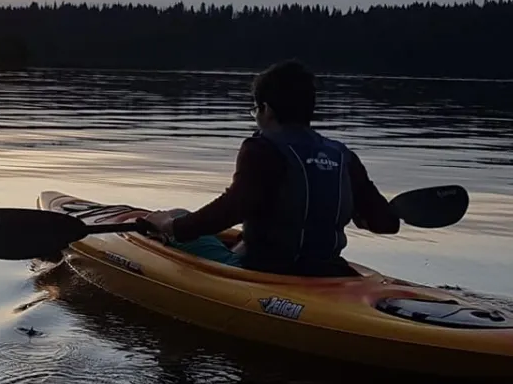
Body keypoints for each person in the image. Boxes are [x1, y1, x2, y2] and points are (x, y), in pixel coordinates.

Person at [143, 59, 401, 276]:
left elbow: (231, 209)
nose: (256, 117)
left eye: (255, 109)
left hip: (264, 273)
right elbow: (386, 224)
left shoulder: (262, 149)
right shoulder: (344, 157)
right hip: (330, 272)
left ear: (265, 109)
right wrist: (369, 217)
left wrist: (171, 227)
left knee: (176, 214)